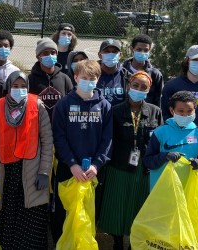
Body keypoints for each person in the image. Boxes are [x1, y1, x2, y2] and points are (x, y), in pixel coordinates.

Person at [98, 71, 162, 250]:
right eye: (136, 85)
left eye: (144, 87)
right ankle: (117, 242)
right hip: (118, 166)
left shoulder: (155, 112)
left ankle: (133, 244)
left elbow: (159, 140)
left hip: (143, 168)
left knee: (138, 206)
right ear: (128, 86)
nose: (139, 89)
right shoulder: (115, 111)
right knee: (116, 207)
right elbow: (107, 139)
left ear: (148, 90)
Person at [0, 71, 53, 249]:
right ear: (8, 87)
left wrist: (44, 171)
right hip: (8, 171)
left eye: (23, 86)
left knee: (32, 213)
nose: (19, 90)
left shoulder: (37, 104)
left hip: (32, 170)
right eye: (15, 86)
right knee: (9, 214)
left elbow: (47, 140)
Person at [51, 59, 112, 242]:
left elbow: (107, 139)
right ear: (76, 77)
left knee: (88, 215)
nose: (88, 81)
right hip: (68, 170)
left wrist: (97, 165)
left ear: (98, 79)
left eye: (92, 78)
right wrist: (72, 164)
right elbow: (59, 138)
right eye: (84, 77)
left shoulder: (104, 106)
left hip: (93, 172)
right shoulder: (63, 104)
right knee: (64, 214)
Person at [144, 91, 198, 190]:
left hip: (187, 189)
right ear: (172, 111)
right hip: (162, 190)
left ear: (195, 110)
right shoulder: (160, 132)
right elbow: (148, 161)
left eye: (189, 111)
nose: (185, 115)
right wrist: (165, 156)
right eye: (181, 111)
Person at [161, 45, 198, 127]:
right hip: (176, 135)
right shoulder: (171, 86)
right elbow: (165, 114)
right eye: (195, 59)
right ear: (187, 60)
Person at [28, 38, 74, 119]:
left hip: (60, 127)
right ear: (38, 57)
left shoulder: (65, 79)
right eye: (45, 53)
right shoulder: (30, 80)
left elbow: (71, 104)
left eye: (53, 53)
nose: (50, 56)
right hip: (38, 126)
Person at [121, 34, 163, 106]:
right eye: (139, 49)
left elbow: (159, 99)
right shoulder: (122, 71)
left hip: (148, 114)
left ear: (150, 50)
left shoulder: (155, 75)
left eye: (146, 50)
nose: (142, 53)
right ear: (132, 49)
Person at [97, 38, 128, 106]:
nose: (111, 54)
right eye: (107, 51)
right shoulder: (92, 74)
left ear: (120, 55)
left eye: (114, 52)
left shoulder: (126, 76)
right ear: (100, 55)